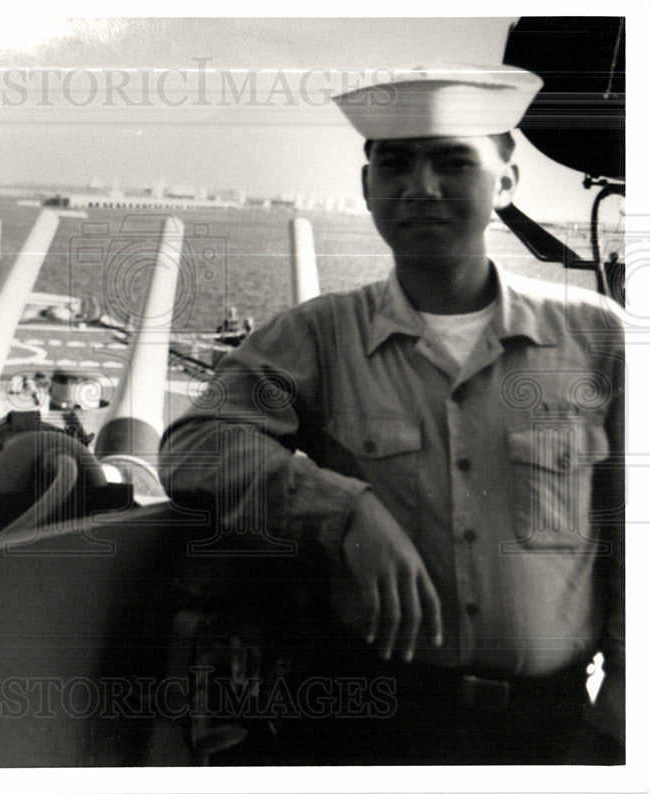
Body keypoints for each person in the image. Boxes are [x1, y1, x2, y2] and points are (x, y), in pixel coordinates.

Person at [159, 65, 624, 764]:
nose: (422, 187)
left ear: (506, 182)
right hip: (373, 725)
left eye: (453, 161)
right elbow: (197, 445)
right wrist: (343, 509)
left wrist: (625, 706)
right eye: (397, 163)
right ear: (367, 185)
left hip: (557, 731)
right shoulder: (319, 336)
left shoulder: (599, 338)